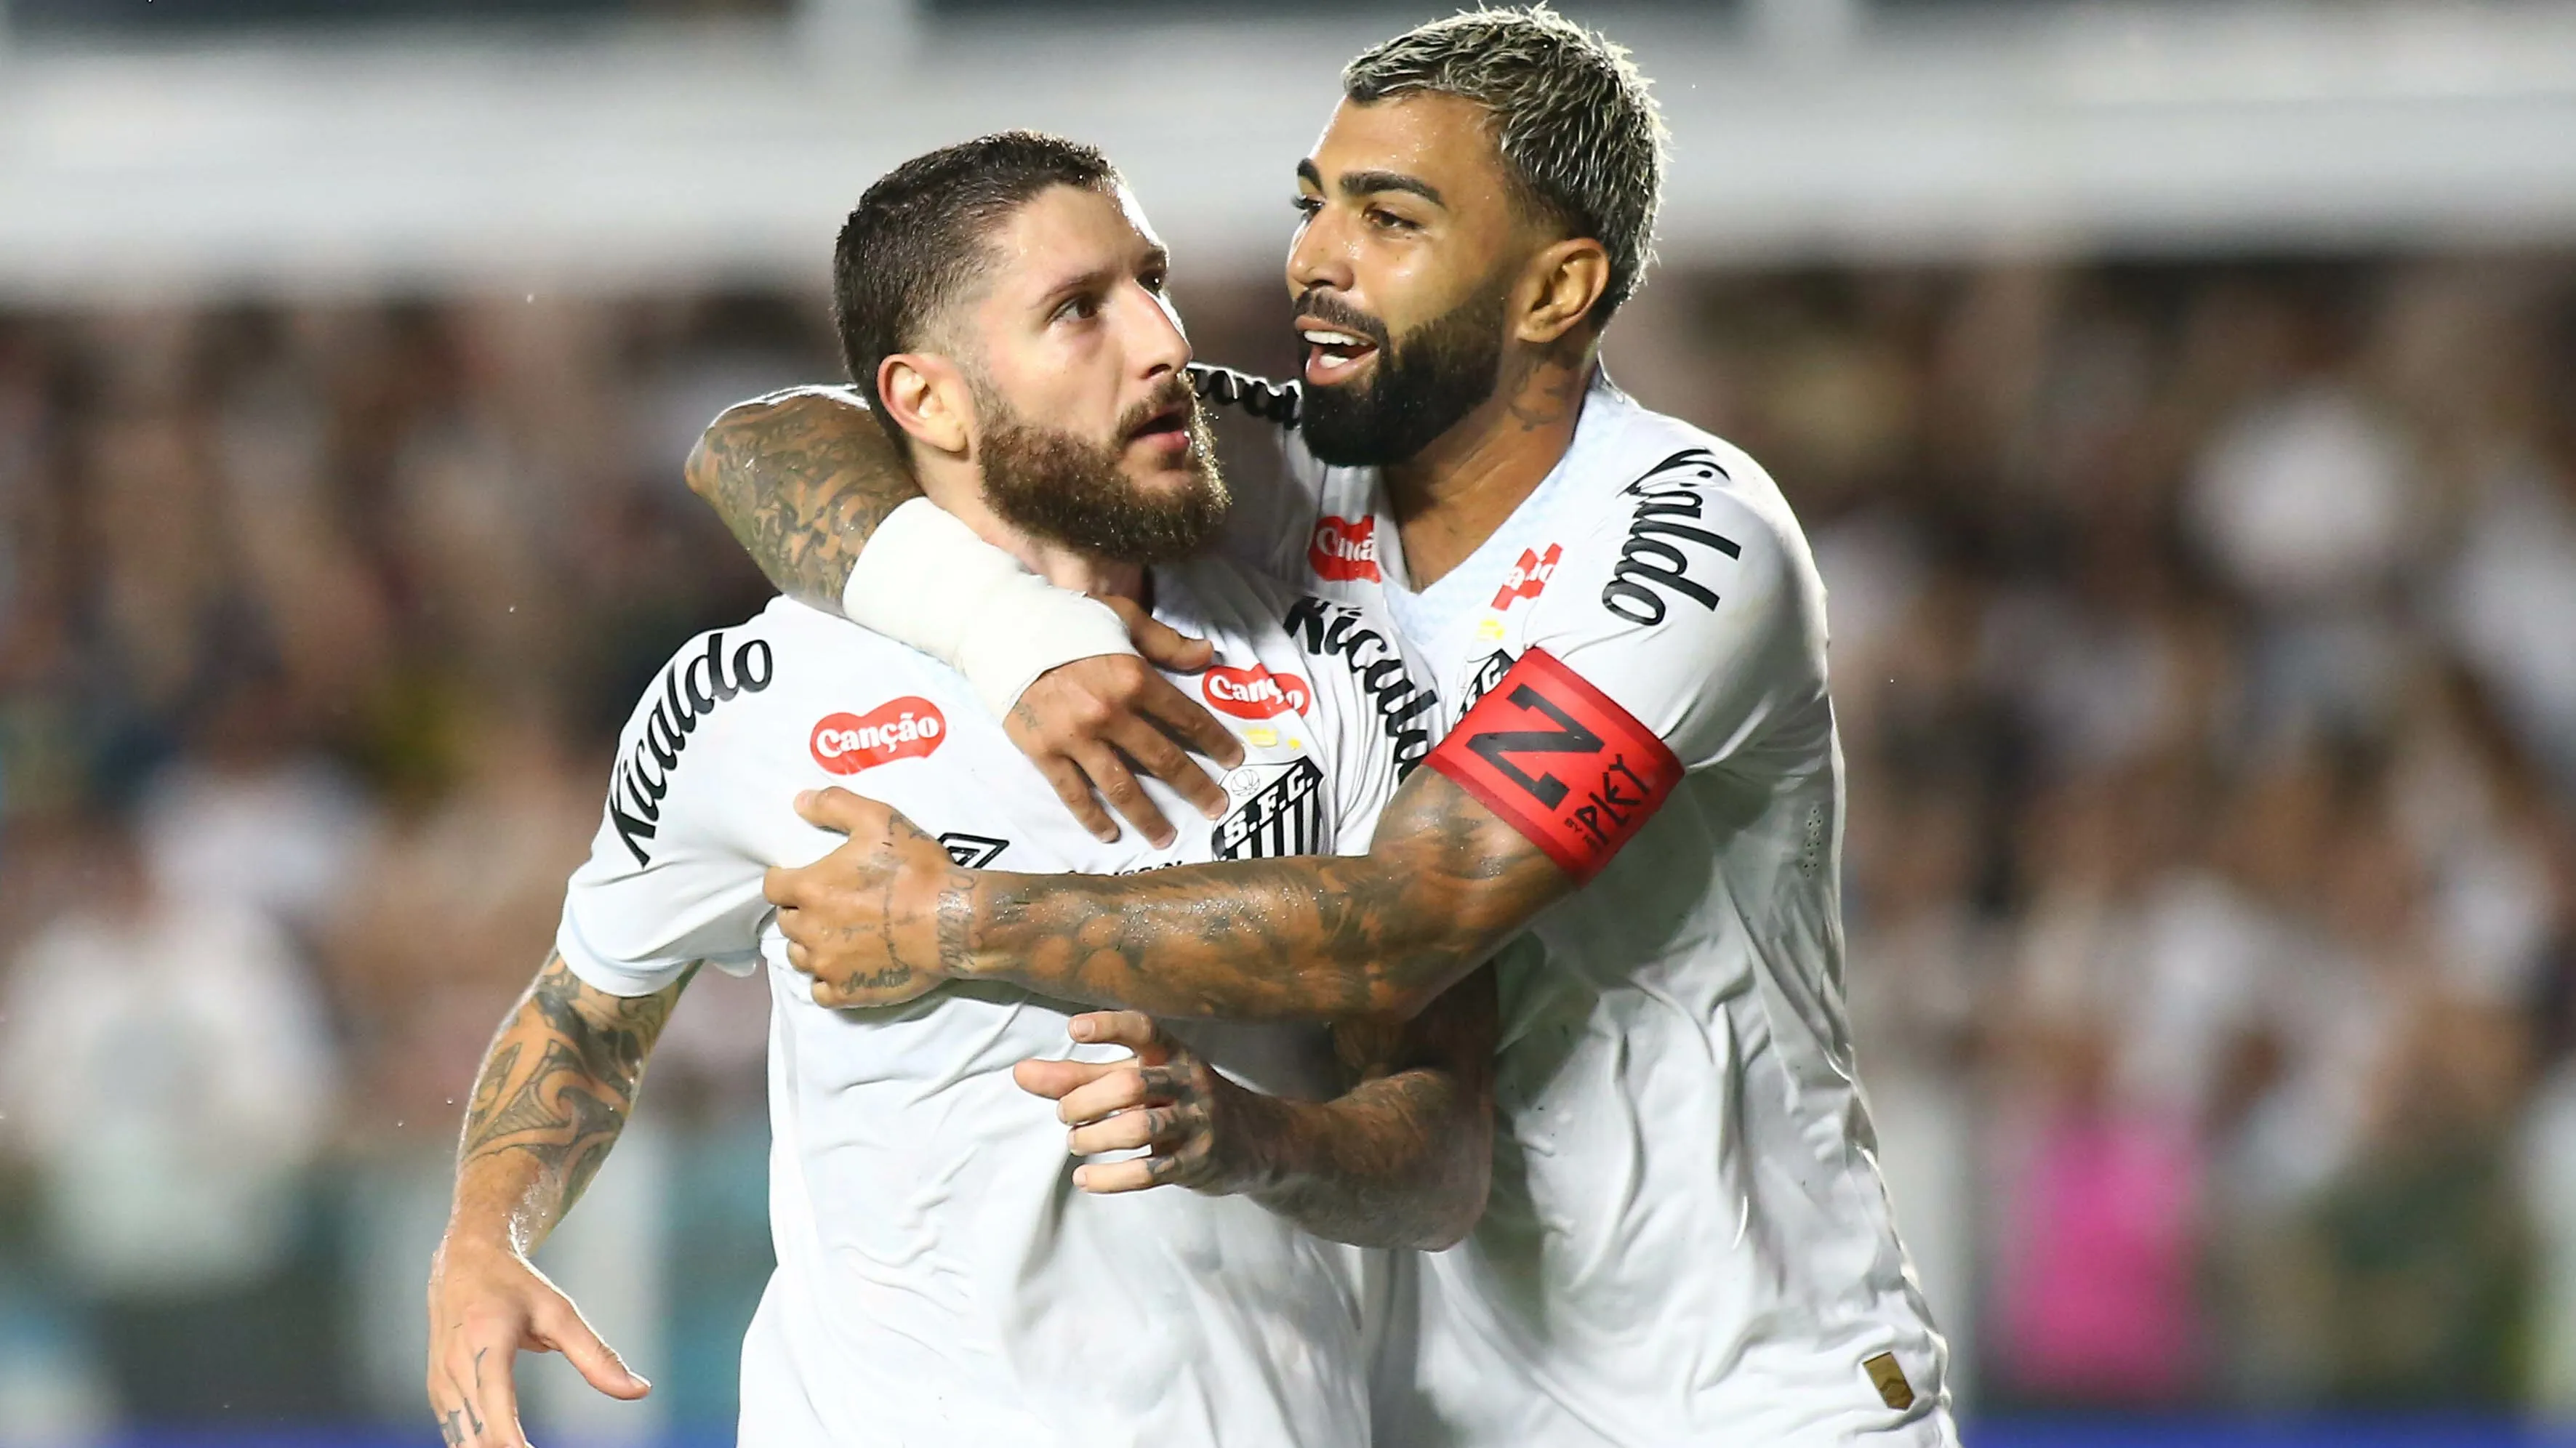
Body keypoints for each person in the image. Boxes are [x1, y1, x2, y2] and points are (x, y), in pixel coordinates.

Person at [687, 7, 1958, 1444]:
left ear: (1556, 291)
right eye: (1315, 202)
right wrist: (1001, 628)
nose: (1314, 260)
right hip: (1414, 1393)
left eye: (1389, 217)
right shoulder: (1294, 472)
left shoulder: (1681, 541)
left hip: (1728, 1387)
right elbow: (765, 440)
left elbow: (1407, 918)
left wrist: (954, 925)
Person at [425, 132, 1496, 1448]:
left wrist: (1250, 1137)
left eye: (1149, 282)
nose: (1163, 343)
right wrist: (484, 1236)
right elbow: (590, 1013)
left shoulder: (1339, 673)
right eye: (1076, 312)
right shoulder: (755, 697)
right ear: (928, 403)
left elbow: (1442, 1159)